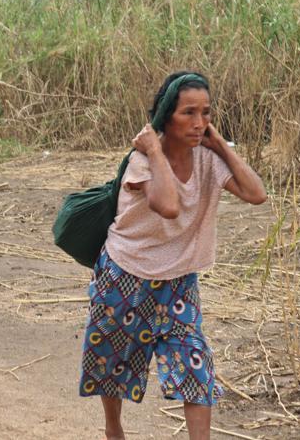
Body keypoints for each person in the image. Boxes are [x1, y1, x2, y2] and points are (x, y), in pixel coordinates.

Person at [79, 72, 267, 440]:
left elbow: (256, 193)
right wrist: (152, 149)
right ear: (167, 116)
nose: (199, 123)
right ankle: (113, 428)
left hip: (178, 284)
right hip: (124, 275)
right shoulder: (142, 160)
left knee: (195, 367)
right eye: (189, 113)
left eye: (206, 113)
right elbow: (167, 205)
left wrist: (221, 146)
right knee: (113, 364)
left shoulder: (208, 160)